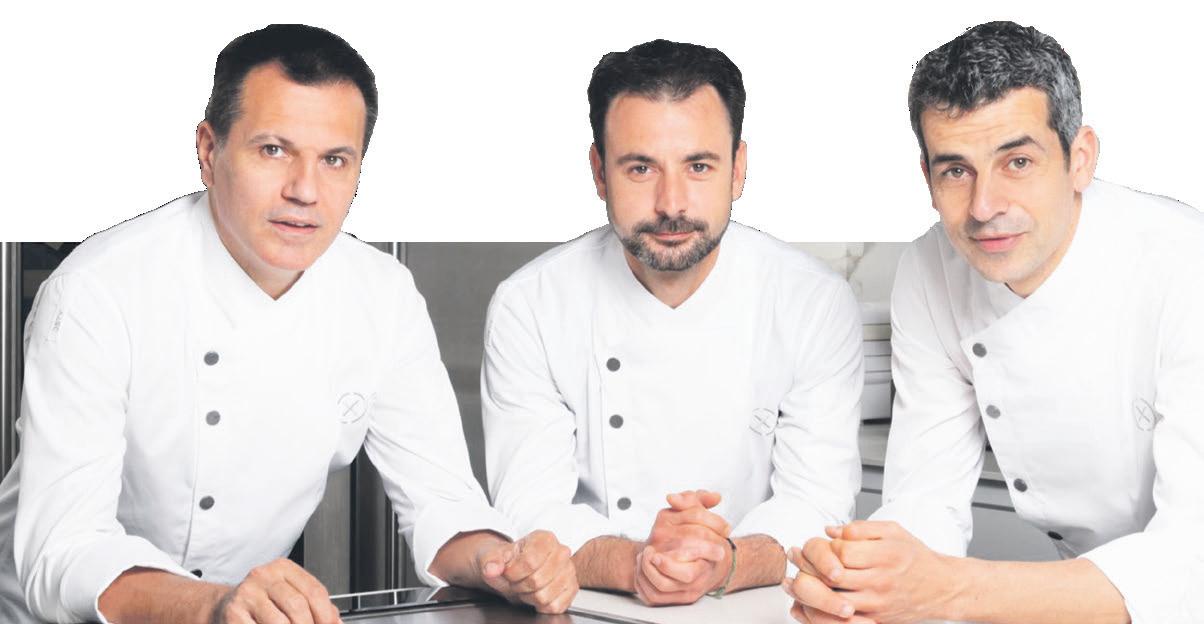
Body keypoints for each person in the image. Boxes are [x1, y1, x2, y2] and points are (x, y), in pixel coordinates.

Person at [0, 24, 576, 624]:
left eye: (334, 160)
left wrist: (505, 564)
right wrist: (213, 604)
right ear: (208, 151)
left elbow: (443, 499)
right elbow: (62, 551)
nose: (305, 191)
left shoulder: (381, 295)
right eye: (273, 150)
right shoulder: (100, 290)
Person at [783, 21, 1204, 624]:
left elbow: (1193, 561)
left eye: (1018, 162)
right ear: (927, 177)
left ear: (1080, 158)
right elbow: (925, 496)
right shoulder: (931, 269)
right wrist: (866, 586)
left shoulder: (1186, 268)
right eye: (956, 170)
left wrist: (946, 591)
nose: (984, 208)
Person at [482, 39, 864, 607]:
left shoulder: (813, 302)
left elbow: (817, 503)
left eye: (698, 166)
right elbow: (529, 509)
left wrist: (725, 562)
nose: (671, 203)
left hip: (758, 603)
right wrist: (636, 563)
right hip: (590, 606)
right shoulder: (532, 305)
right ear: (599, 172)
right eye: (641, 168)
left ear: (738, 169)